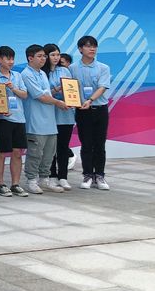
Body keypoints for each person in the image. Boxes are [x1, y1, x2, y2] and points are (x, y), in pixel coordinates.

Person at [20, 45, 69, 195]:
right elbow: (40, 96)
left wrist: (59, 91)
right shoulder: (26, 74)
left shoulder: (42, 73)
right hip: (36, 122)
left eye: (44, 56)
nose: (43, 59)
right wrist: (58, 102)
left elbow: (47, 93)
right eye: (40, 56)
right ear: (30, 58)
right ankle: (31, 180)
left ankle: (44, 179)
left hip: (50, 121)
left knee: (49, 153)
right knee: (35, 153)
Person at [0, 46, 29, 197]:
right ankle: (1, 184)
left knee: (17, 152)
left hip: (19, 118)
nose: (11, 62)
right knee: (2, 152)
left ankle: (15, 184)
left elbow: (24, 95)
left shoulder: (17, 75)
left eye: (12, 58)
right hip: (2, 119)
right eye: (7, 58)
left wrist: (13, 88)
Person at [70, 35, 111, 190]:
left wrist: (91, 100)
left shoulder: (103, 68)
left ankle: (99, 175)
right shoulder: (72, 68)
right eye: (88, 46)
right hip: (82, 111)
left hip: (100, 109)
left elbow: (102, 87)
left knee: (100, 144)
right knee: (86, 144)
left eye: (94, 46)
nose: (92, 49)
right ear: (80, 49)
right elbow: (70, 88)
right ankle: (87, 174)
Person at [43, 43, 74, 190]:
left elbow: (71, 90)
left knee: (63, 146)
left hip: (66, 113)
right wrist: (56, 89)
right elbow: (43, 94)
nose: (56, 58)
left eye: (58, 54)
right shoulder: (42, 73)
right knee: (50, 148)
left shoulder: (65, 71)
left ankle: (63, 177)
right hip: (49, 113)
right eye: (52, 55)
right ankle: (51, 175)